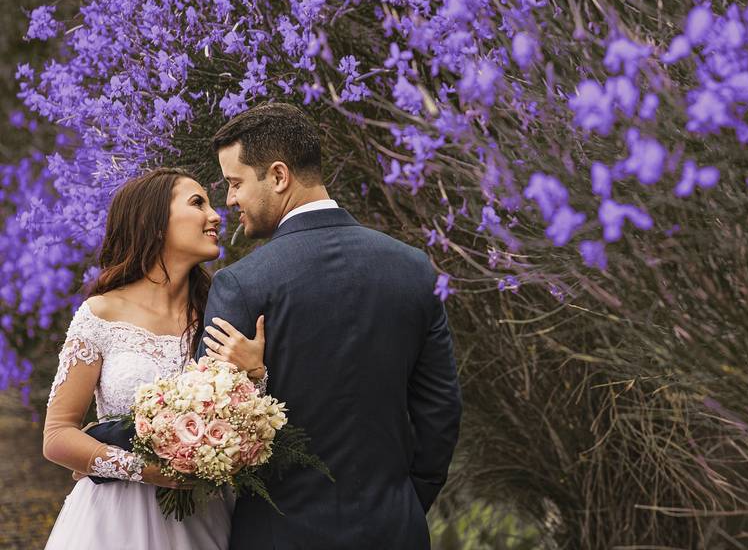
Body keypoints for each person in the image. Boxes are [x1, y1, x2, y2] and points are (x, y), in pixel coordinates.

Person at [197, 102, 462, 549]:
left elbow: (214, 428)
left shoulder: (241, 285)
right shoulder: (413, 269)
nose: (229, 200)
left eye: (235, 183)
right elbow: (440, 411)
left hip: (279, 534)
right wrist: (408, 503)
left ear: (279, 176)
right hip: (393, 529)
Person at [42, 168, 264, 549]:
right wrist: (147, 471)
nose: (215, 215)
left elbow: (256, 422)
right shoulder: (101, 314)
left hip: (205, 519)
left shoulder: (220, 314)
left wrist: (256, 372)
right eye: (198, 203)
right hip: (114, 522)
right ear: (155, 223)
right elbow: (57, 436)